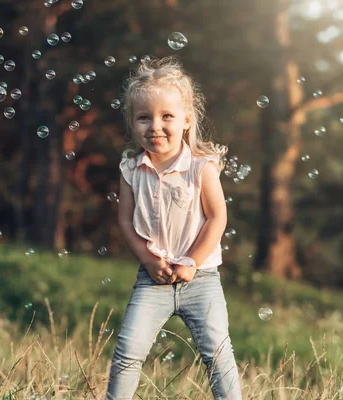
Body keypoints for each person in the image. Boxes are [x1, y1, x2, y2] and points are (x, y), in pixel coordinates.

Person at [105, 56, 242, 400]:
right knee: (128, 352)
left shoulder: (200, 166)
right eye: (144, 117)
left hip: (202, 279)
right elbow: (125, 220)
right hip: (153, 279)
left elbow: (216, 218)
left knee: (217, 355)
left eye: (167, 116)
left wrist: (192, 260)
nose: (155, 126)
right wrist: (148, 260)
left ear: (186, 121)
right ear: (132, 124)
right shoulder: (131, 169)